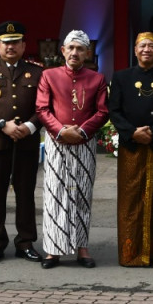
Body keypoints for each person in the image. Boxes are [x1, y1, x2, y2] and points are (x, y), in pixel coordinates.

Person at [0, 21, 45, 265]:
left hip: (27, 140)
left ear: (24, 45)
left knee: (25, 193)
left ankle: (25, 242)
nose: (10, 47)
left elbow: (44, 106)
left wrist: (30, 126)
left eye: (15, 42)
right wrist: (4, 125)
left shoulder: (37, 71)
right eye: (6, 42)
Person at [35, 30, 110, 269]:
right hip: (57, 143)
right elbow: (42, 109)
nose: (75, 53)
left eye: (80, 49)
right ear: (63, 51)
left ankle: (82, 248)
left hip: (84, 143)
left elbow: (102, 112)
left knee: (82, 194)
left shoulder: (97, 79)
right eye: (71, 48)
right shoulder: (49, 75)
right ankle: (52, 250)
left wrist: (82, 131)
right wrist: (60, 131)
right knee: (55, 194)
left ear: (87, 53)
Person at [108, 32, 153, 267]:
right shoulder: (121, 77)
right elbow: (114, 111)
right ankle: (131, 254)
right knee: (130, 200)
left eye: (152, 46)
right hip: (131, 147)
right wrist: (132, 132)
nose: (147, 50)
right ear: (135, 50)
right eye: (142, 46)